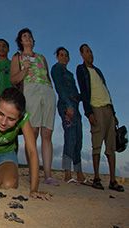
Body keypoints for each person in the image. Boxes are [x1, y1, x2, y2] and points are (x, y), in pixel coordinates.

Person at [10, 28, 58, 186]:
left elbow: (48, 77)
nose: (28, 38)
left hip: (47, 92)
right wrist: (24, 69)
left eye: (30, 36)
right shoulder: (17, 57)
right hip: (30, 91)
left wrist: (51, 91)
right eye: (24, 36)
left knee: (47, 133)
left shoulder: (42, 57)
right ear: (20, 41)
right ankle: (33, 172)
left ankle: (48, 175)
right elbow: (14, 80)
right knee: (33, 132)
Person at [76, 44, 124, 191]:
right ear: (82, 55)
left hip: (108, 109)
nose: (90, 54)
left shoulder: (98, 71)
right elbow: (84, 91)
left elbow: (106, 91)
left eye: (91, 51)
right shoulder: (81, 69)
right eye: (87, 51)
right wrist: (89, 112)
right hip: (95, 108)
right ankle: (96, 178)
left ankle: (112, 181)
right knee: (97, 144)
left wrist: (114, 114)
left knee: (111, 146)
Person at [50, 47, 86, 184]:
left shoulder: (70, 73)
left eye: (66, 55)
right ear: (57, 57)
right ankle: (67, 172)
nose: (64, 57)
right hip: (66, 105)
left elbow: (76, 92)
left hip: (75, 106)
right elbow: (59, 87)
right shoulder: (56, 68)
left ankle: (80, 173)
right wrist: (68, 105)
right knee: (70, 135)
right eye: (61, 55)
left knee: (79, 137)